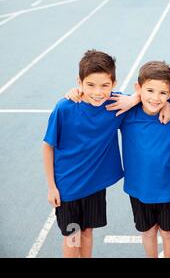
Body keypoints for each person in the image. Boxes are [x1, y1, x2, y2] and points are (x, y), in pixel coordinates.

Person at [43, 50, 123, 257]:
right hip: (68, 187)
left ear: (114, 83)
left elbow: (151, 96)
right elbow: (48, 146)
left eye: (105, 85)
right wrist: (51, 187)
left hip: (94, 185)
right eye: (90, 85)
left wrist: (135, 99)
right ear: (79, 82)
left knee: (87, 232)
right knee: (73, 236)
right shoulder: (64, 108)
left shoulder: (116, 105)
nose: (98, 92)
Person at [120, 61, 170, 258]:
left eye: (162, 93)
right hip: (139, 188)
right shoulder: (126, 112)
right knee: (147, 231)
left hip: (167, 189)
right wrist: (134, 98)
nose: (155, 98)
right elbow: (99, 96)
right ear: (138, 88)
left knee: (169, 232)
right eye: (149, 91)